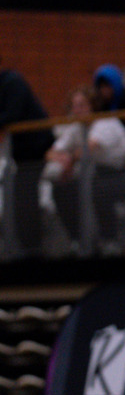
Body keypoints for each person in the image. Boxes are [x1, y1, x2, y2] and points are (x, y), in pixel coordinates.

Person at [43, 87, 125, 253]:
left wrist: (68, 159)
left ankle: (110, 241)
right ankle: (77, 240)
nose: (78, 110)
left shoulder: (106, 122)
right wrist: (62, 159)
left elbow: (89, 147)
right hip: (100, 178)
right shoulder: (76, 129)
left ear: (92, 106)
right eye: (74, 106)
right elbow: (50, 152)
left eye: (82, 105)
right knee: (62, 189)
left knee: (99, 188)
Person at [0, 65, 54, 256]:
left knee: (25, 198)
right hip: (22, 155)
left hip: (39, 150)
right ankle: (28, 247)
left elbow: (11, 115)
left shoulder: (12, 81)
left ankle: (33, 249)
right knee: (19, 198)